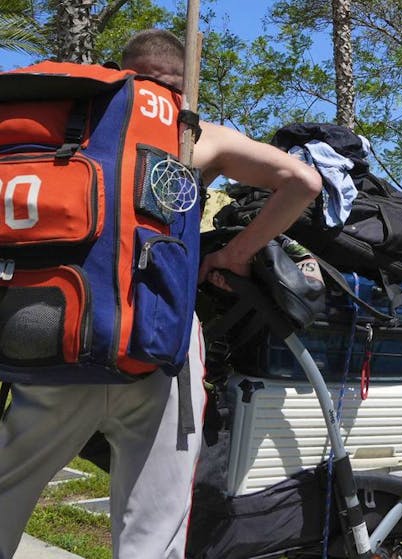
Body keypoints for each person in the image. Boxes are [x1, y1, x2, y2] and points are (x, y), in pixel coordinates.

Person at [0, 29, 322, 559]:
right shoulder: (195, 135)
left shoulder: (76, 127)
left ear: (123, 70)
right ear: (184, 82)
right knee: (154, 525)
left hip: (57, 336)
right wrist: (232, 254)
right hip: (159, 352)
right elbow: (303, 182)